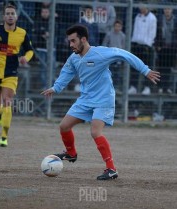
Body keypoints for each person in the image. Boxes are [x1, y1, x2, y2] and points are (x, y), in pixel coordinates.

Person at [41, 25, 160, 180]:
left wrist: (145, 70)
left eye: (73, 41)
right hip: (85, 99)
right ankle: (71, 153)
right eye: (69, 41)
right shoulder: (74, 58)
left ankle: (111, 169)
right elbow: (66, 73)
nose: (71, 45)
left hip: (104, 99)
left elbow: (124, 54)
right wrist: (55, 88)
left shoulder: (100, 53)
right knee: (64, 126)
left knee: (95, 132)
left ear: (83, 39)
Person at [0, 4, 34, 147]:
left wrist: (25, 59)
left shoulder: (22, 33)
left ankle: (4, 137)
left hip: (10, 72)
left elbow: (30, 51)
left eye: (13, 13)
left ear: (16, 17)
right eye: (8, 13)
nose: (10, 16)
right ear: (4, 16)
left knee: (8, 101)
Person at [129, 4, 157, 95]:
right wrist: (133, 41)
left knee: (147, 68)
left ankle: (147, 87)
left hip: (147, 47)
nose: (141, 9)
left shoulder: (152, 18)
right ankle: (133, 87)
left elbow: (152, 33)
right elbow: (135, 30)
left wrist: (148, 45)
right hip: (137, 45)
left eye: (142, 7)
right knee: (134, 67)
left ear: (146, 7)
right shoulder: (138, 16)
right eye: (140, 7)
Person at [32, 6, 57, 89]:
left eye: (46, 12)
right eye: (43, 12)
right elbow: (35, 30)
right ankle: (44, 86)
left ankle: (52, 85)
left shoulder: (53, 21)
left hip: (51, 48)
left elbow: (57, 30)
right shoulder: (38, 21)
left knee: (52, 66)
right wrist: (43, 33)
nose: (45, 14)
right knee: (43, 67)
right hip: (41, 48)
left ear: (49, 13)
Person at [155, 7, 177, 94]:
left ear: (172, 10)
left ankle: (167, 87)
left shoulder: (175, 21)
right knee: (161, 68)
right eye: (165, 9)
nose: (167, 11)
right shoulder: (159, 20)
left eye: (169, 9)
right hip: (162, 47)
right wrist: (158, 45)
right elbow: (157, 33)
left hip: (172, 48)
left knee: (169, 69)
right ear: (163, 10)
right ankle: (160, 87)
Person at [102, 20, 126, 93]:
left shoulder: (123, 36)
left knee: (117, 74)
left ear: (121, 27)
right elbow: (104, 44)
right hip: (109, 58)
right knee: (108, 73)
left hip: (118, 58)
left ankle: (116, 89)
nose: (117, 28)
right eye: (116, 26)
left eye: (119, 26)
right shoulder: (109, 34)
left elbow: (124, 46)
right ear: (113, 26)